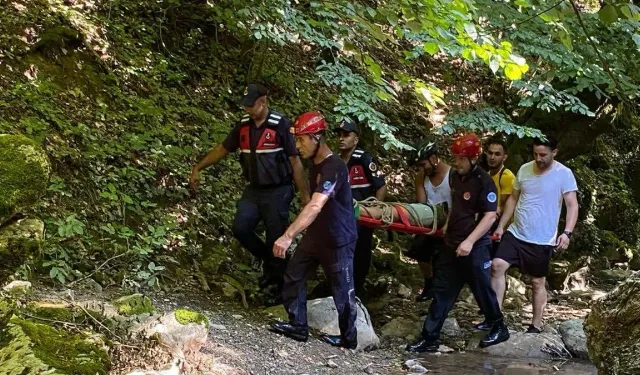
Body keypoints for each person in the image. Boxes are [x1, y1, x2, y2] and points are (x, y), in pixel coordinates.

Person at [190, 84, 310, 298]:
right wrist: (198, 167)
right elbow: (222, 149)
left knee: (276, 237)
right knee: (241, 227)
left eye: (251, 105)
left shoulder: (280, 125)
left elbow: (295, 162)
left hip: (278, 190)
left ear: (263, 102)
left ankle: (280, 288)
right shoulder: (243, 126)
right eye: (245, 105)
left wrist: (304, 196)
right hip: (254, 190)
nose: (247, 109)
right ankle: (270, 263)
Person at [407, 133, 510, 353]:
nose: (457, 162)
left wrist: (470, 241)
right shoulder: (456, 177)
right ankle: (430, 337)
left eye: (461, 158)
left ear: (473, 158)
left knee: (483, 290)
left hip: (475, 246)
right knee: (442, 291)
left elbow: (490, 216)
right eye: (456, 158)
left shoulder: (484, 182)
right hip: (451, 244)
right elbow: (455, 205)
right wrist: (446, 229)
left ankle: (498, 325)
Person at [270, 111, 358, 349]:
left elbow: (317, 204)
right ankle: (298, 325)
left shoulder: (334, 167)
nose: (297, 146)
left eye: (301, 139)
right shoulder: (315, 164)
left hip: (338, 239)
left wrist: (288, 235)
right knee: (294, 274)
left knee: (342, 290)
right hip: (316, 235)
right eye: (296, 140)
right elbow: (310, 200)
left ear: (317, 137)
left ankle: (349, 338)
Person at [491, 136, 579, 333]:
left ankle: (536, 325)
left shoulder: (564, 174)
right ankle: (494, 319)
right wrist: (501, 226)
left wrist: (567, 233)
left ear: (554, 152)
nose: (538, 159)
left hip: (542, 238)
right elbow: (513, 199)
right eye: (535, 154)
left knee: (537, 281)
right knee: (497, 266)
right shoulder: (524, 169)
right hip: (516, 231)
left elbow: (572, 205)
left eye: (543, 155)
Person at [336, 119, 386, 297]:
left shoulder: (365, 159)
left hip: (363, 215)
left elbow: (380, 185)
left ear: (355, 139)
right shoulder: (336, 161)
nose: (342, 139)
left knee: (361, 250)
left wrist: (375, 211)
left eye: (346, 135)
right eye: (340, 135)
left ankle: (358, 286)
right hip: (342, 215)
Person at [403, 141, 452, 302]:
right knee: (420, 249)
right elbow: (421, 204)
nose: (422, 169)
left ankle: (443, 288)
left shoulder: (452, 175)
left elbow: (458, 203)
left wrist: (447, 224)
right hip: (431, 219)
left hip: (450, 220)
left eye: (423, 164)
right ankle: (429, 284)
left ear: (434, 158)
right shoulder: (421, 177)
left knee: (443, 256)